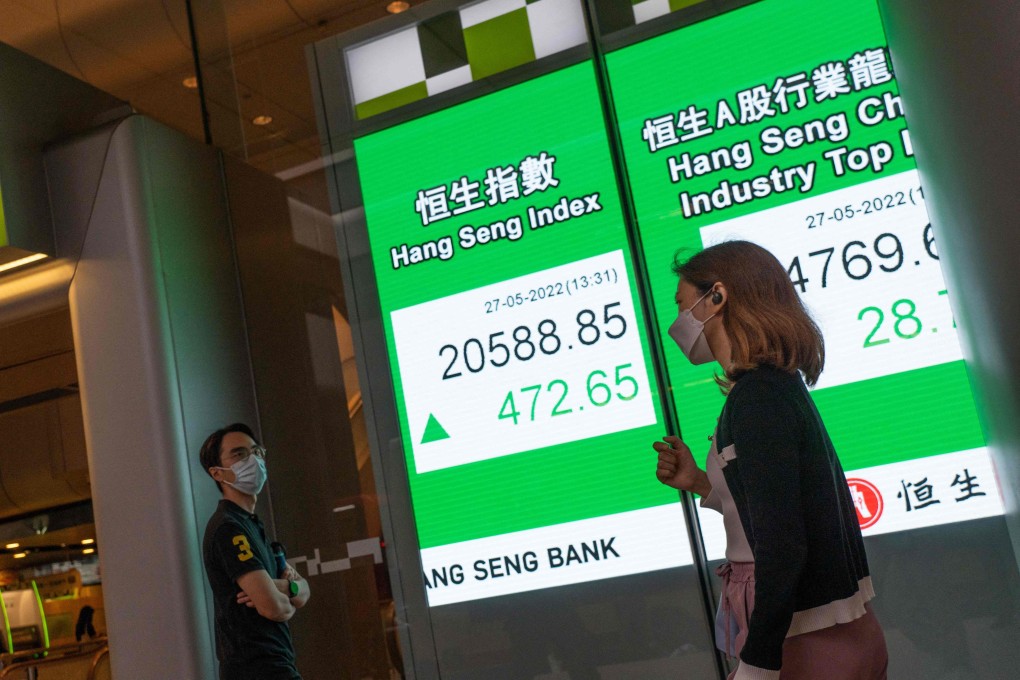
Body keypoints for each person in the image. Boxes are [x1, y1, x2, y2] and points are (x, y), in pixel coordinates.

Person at [653, 241, 888, 679]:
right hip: (832, 638)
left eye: (682, 305)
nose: (677, 322)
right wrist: (701, 482)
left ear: (717, 297)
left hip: (807, 644)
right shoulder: (772, 387)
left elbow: (782, 544)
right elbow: (775, 501)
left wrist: (757, 666)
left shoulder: (757, 399)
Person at [200, 423, 310, 680]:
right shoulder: (229, 528)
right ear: (217, 473)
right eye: (239, 454)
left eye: (257, 452)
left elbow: (304, 591)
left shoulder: (252, 526)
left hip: (277, 665)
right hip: (255, 669)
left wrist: (287, 587)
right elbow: (274, 608)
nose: (253, 460)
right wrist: (286, 594)